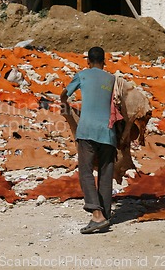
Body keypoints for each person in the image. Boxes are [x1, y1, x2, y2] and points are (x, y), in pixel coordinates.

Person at [60, 46, 116, 234]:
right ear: (104, 61)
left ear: (88, 62)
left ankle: (97, 215)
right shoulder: (112, 79)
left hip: (88, 130)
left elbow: (65, 93)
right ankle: (106, 215)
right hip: (109, 132)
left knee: (85, 172)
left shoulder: (82, 75)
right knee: (106, 174)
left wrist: (64, 102)